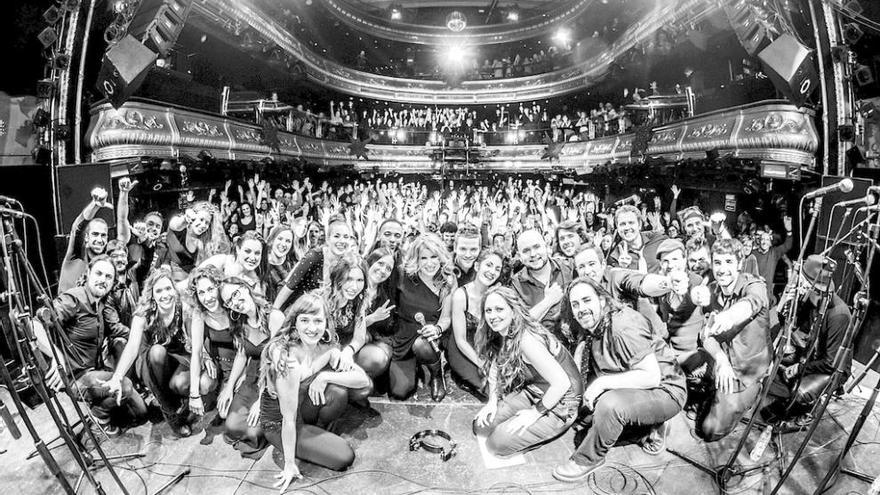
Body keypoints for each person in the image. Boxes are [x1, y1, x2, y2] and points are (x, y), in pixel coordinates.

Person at [552, 277, 686, 481]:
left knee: (609, 406)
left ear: (603, 301)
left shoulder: (622, 325)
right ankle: (647, 428)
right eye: (575, 304)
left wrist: (601, 384)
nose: (581, 309)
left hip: (665, 389)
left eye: (587, 300)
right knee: (586, 416)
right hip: (637, 385)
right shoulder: (595, 325)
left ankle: (588, 459)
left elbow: (651, 376)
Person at [260, 292, 369, 491]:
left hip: (302, 408)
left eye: (318, 321)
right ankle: (307, 442)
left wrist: (326, 376)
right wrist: (289, 464)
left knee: (339, 389)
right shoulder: (286, 357)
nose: (312, 328)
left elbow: (362, 380)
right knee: (344, 456)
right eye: (305, 320)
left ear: (326, 323)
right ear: (295, 323)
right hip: (279, 423)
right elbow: (288, 419)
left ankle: (315, 433)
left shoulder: (325, 347)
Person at [32, 256, 147, 434]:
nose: (103, 280)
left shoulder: (101, 303)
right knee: (124, 387)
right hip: (75, 377)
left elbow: (118, 330)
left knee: (140, 413)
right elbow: (35, 324)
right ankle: (99, 419)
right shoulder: (74, 298)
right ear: (88, 274)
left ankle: (103, 403)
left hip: (94, 371)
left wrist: (145, 332)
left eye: (108, 277)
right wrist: (58, 357)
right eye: (99, 273)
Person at [472, 286, 582, 457]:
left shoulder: (527, 340)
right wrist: (492, 401)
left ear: (513, 311)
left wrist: (535, 413)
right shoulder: (505, 331)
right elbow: (495, 368)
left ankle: (544, 430)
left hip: (562, 403)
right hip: (534, 391)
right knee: (480, 426)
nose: (493, 316)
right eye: (489, 311)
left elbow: (562, 383)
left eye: (499, 309)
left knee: (496, 445)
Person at [104, 267, 203, 436]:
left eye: (168, 288)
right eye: (159, 290)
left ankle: (178, 402)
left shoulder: (183, 308)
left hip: (176, 357)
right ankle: (170, 411)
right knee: (157, 352)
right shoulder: (142, 315)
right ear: (152, 294)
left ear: (174, 289)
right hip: (148, 362)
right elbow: (132, 347)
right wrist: (117, 376)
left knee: (182, 383)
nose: (165, 294)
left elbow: (195, 347)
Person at [692, 238, 770, 441]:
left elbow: (751, 303)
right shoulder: (714, 291)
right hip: (723, 360)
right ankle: (714, 386)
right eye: (717, 262)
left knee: (710, 431)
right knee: (686, 368)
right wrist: (720, 359)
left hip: (746, 372)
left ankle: (753, 392)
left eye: (728, 262)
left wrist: (728, 316)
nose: (722, 269)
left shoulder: (754, 285)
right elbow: (706, 336)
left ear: (739, 263)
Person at [762, 255, 851, 428]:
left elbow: (831, 363)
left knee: (799, 391)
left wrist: (799, 368)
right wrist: (787, 305)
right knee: (773, 363)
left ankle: (804, 416)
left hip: (832, 368)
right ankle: (791, 396)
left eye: (801, 283)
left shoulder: (838, 316)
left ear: (814, 287)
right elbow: (792, 324)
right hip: (812, 355)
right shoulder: (812, 300)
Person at [217, 277, 285, 455]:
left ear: (246, 288)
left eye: (236, 294)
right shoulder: (239, 322)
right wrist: (229, 387)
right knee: (231, 425)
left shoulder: (274, 317)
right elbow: (241, 354)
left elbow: (278, 362)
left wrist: (261, 400)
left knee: (254, 432)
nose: (235, 302)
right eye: (229, 301)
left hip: (274, 379)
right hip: (253, 375)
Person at [391, 233, 455, 401]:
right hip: (403, 335)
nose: (429, 263)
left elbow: (446, 318)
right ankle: (416, 367)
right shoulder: (403, 275)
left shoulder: (447, 280)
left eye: (434, 256)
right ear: (416, 260)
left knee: (422, 347)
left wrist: (437, 329)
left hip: (428, 337)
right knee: (400, 392)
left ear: (441, 257)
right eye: (423, 258)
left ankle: (436, 374)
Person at [449, 250, 504, 395]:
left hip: (485, 346)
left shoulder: (496, 295)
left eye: (497, 269)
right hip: (463, 347)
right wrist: (481, 363)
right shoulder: (461, 295)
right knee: (486, 387)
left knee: (503, 384)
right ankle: (459, 374)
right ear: (477, 266)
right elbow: (460, 340)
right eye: (489, 265)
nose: (492, 271)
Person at [511, 229, 574, 351]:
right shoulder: (515, 284)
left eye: (536, 247)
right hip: (540, 353)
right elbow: (519, 327)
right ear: (519, 255)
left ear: (546, 246)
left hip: (574, 347)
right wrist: (548, 301)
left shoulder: (568, 267)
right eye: (526, 251)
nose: (533, 254)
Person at [274, 217, 353, 311]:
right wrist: (275, 311)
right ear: (328, 239)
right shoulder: (314, 256)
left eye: (346, 237)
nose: (341, 241)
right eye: (336, 236)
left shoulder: (347, 262)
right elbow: (289, 286)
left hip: (321, 310)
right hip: (295, 306)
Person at [185, 266, 232, 417]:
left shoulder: (233, 307)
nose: (207, 298)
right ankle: (214, 393)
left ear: (219, 288)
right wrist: (194, 394)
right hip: (217, 361)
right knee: (203, 385)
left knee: (226, 414)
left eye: (211, 289)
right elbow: (196, 352)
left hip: (238, 363)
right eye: (201, 293)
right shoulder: (200, 314)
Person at [155, 201, 229, 283]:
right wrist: (185, 218)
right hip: (167, 272)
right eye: (201, 219)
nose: (203, 225)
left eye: (207, 223)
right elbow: (175, 224)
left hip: (188, 279)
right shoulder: (180, 225)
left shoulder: (204, 239)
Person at [58, 187, 112, 293]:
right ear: (87, 237)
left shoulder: (105, 265)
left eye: (103, 235)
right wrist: (94, 205)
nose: (99, 239)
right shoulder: (76, 256)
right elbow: (77, 228)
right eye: (95, 234)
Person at [199, 231, 266, 293]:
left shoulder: (256, 284)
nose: (252, 257)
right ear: (238, 249)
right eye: (247, 251)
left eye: (257, 253)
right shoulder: (222, 261)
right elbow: (193, 278)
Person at [606, 205, 667, 274]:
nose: (627, 227)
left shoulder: (657, 238)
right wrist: (622, 269)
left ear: (639, 225)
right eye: (622, 224)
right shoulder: (615, 256)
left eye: (631, 223)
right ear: (618, 228)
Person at [752, 217, 793, 302]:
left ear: (770, 242)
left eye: (767, 239)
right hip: (753, 292)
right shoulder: (753, 253)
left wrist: (789, 231)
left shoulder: (774, 253)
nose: (764, 242)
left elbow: (787, 245)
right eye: (762, 239)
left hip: (767, 295)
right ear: (759, 241)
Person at [264, 226, 296, 303]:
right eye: (280, 239)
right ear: (272, 240)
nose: (283, 244)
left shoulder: (293, 264)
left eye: (288, 241)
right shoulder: (262, 264)